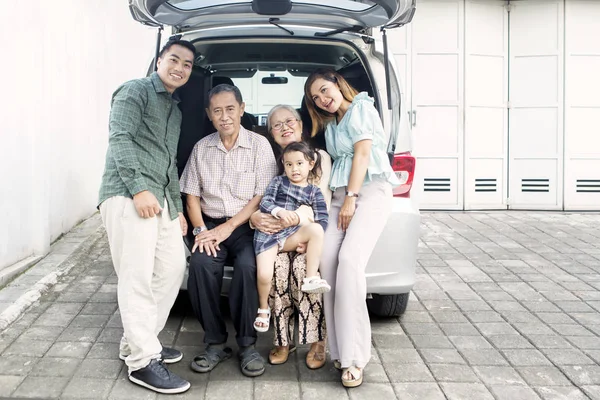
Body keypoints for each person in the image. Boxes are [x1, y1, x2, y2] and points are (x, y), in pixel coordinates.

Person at [97, 39, 196, 394]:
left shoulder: (175, 108)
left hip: (160, 200)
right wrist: (138, 189)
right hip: (127, 194)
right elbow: (119, 139)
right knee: (136, 276)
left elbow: (168, 164)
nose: (180, 68)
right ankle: (141, 362)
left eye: (187, 64)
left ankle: (139, 341)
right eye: (174, 60)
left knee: (171, 269)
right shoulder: (134, 90)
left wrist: (178, 209)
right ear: (159, 60)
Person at [304, 68, 400, 388]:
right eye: (316, 98)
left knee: (349, 263)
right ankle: (340, 349)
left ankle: (356, 359)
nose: (322, 99)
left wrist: (352, 199)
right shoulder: (331, 125)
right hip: (341, 196)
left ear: (337, 82)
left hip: (368, 192)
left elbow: (361, 154)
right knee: (327, 264)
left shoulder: (362, 107)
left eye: (324, 90)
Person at [180, 83, 278, 378]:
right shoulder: (201, 147)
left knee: (249, 267)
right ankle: (215, 343)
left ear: (242, 109)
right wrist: (199, 230)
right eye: (218, 111)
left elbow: (261, 194)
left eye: (230, 109)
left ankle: (247, 345)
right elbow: (191, 195)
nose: (225, 117)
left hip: (246, 225)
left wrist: (229, 226)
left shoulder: (259, 145)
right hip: (209, 225)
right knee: (200, 264)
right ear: (210, 115)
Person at [250, 104, 331, 368]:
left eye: (289, 121)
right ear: (271, 133)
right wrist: (255, 218)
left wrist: (301, 221)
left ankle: (317, 339)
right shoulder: (268, 159)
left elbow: (318, 205)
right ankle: (283, 339)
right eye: (277, 124)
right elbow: (260, 199)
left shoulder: (318, 157)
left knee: (304, 271)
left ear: (300, 123)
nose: (284, 127)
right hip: (277, 236)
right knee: (278, 268)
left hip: (306, 234)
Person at [253, 141, 330, 333]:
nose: (294, 169)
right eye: (289, 164)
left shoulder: (314, 191)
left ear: (311, 164)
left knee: (317, 230)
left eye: (299, 163)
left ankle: (311, 278)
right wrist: (279, 212)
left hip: (291, 237)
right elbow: (266, 202)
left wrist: (309, 239)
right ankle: (263, 308)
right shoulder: (279, 182)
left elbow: (322, 219)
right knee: (264, 274)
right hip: (269, 235)